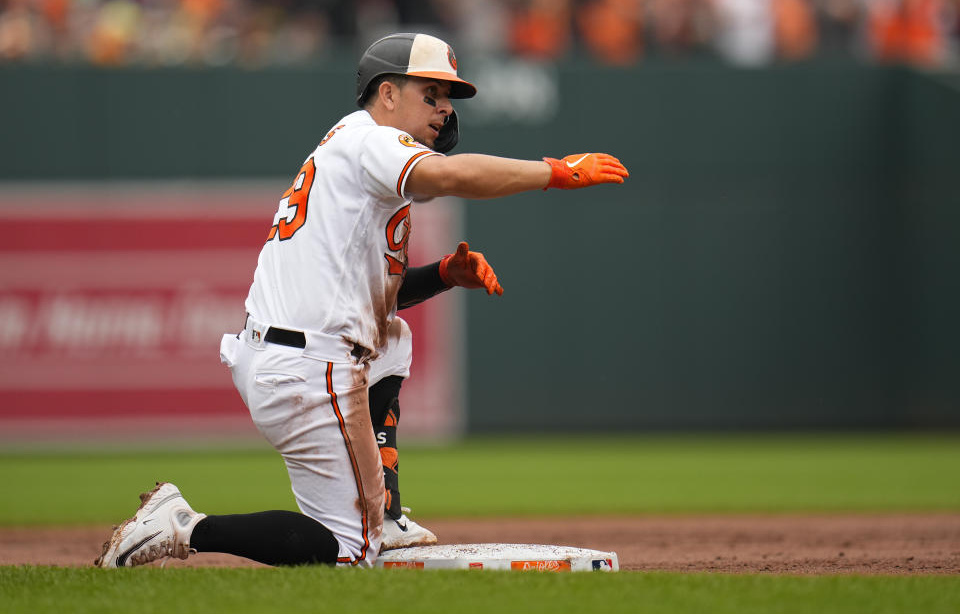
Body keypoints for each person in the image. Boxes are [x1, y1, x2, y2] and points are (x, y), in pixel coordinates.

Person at [94, 32, 628, 569]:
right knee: (349, 552)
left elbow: (375, 300)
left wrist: (444, 273)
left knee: (392, 338)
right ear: (388, 93)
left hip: (288, 357)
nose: (445, 108)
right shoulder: (371, 140)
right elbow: (446, 175)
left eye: (449, 97)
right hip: (308, 368)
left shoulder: (352, 149)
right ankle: (185, 527)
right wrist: (554, 171)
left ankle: (387, 515)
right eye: (432, 93)